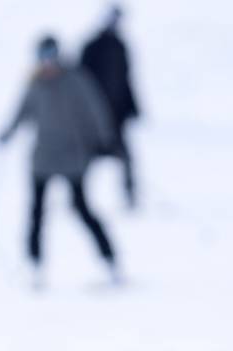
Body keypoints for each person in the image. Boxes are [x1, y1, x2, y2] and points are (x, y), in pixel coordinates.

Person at [0, 36, 119, 286]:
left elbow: (95, 110)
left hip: (72, 156)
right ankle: (34, 264)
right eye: (43, 57)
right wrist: (8, 133)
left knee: (81, 208)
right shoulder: (35, 83)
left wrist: (105, 139)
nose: (47, 63)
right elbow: (22, 111)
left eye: (51, 57)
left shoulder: (76, 80)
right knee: (36, 212)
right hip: (43, 157)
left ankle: (109, 260)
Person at [80, 4, 141, 209]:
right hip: (93, 119)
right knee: (84, 160)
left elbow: (126, 81)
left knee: (126, 158)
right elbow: (81, 82)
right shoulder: (92, 47)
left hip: (117, 117)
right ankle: (78, 199)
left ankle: (130, 195)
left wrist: (133, 107)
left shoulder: (121, 47)